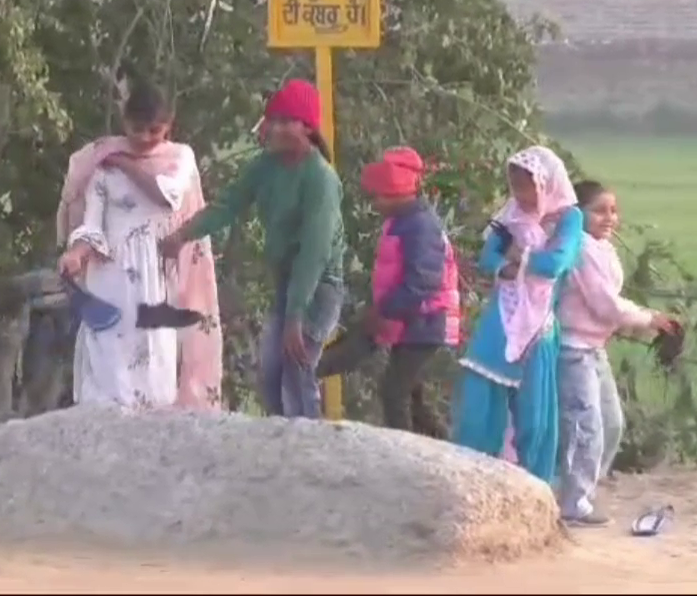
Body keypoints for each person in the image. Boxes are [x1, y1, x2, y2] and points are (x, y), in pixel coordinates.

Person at [160, 79, 345, 419]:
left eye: (282, 121)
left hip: (316, 289)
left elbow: (314, 253)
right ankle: (282, 444)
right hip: (287, 285)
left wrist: (296, 316)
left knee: (296, 371)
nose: (272, 128)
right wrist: (182, 235)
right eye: (271, 121)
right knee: (270, 376)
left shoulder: (321, 179)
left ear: (305, 127)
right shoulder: (266, 166)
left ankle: (310, 448)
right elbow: (227, 206)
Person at [56, 82, 223, 412]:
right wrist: (76, 254)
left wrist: (127, 162)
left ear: (169, 125)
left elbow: (167, 195)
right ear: (124, 121)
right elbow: (93, 223)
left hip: (154, 276)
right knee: (106, 356)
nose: (145, 137)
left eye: (154, 130)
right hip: (109, 275)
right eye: (136, 129)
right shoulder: (102, 163)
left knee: (153, 355)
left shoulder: (179, 158)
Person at [452, 145, 583, 484]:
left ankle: (534, 486)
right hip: (503, 313)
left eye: (527, 186)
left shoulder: (569, 217)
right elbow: (488, 258)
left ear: (545, 183)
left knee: (535, 414)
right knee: (480, 387)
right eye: (516, 186)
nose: (521, 195)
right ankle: (473, 475)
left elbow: (556, 263)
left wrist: (518, 258)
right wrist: (511, 265)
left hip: (540, 324)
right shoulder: (510, 213)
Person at [556, 179, 677, 527]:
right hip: (573, 349)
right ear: (576, 213)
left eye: (613, 210)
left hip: (594, 348)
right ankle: (574, 503)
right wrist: (650, 318)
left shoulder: (601, 247)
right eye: (598, 210)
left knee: (610, 423)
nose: (609, 218)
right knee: (585, 426)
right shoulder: (578, 247)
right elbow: (605, 305)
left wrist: (649, 318)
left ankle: (581, 491)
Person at [359, 146, 461, 437]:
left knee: (394, 390)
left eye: (379, 196)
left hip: (426, 321)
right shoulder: (404, 221)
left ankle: (403, 450)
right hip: (413, 321)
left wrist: (386, 309)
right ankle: (443, 447)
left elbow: (424, 283)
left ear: (398, 192)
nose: (375, 203)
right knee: (411, 395)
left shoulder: (420, 226)